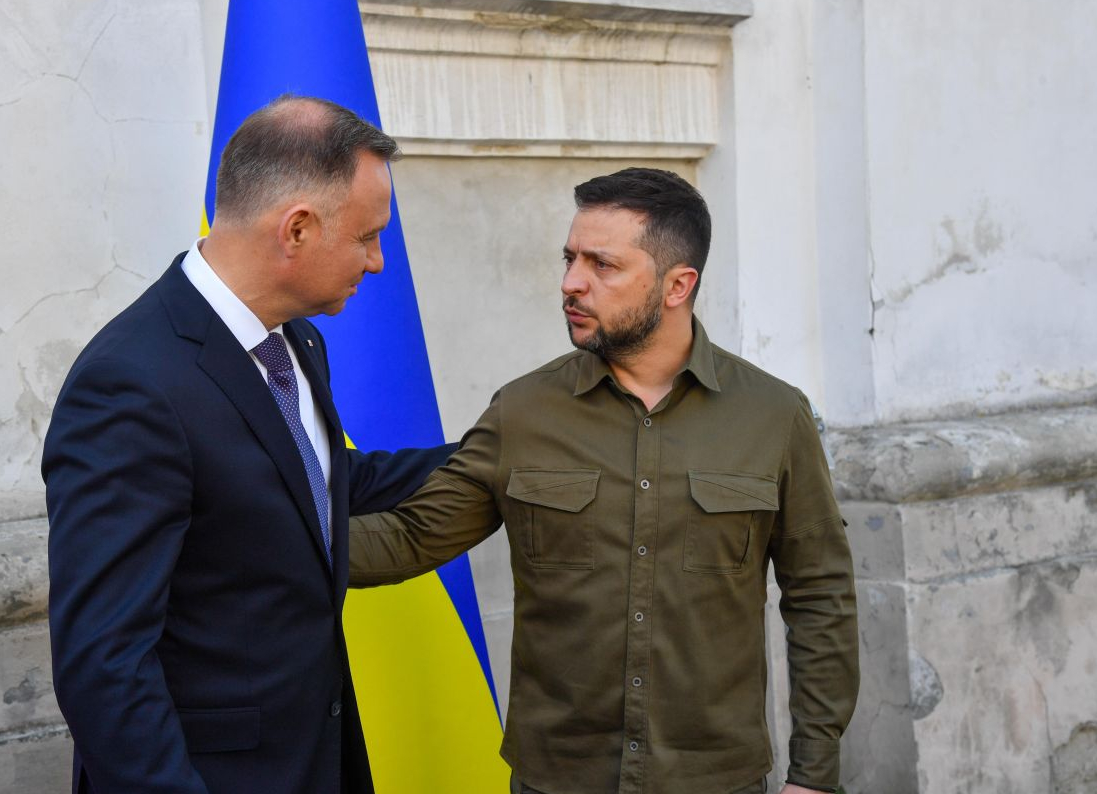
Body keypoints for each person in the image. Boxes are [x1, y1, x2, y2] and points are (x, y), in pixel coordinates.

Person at [349, 168, 859, 794]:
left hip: (715, 778)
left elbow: (820, 593)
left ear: (678, 285)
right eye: (570, 259)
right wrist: (264, 539)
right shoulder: (523, 411)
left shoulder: (774, 417)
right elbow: (410, 536)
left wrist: (814, 774)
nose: (571, 282)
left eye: (603, 265)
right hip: (557, 777)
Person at [43, 96, 452, 794]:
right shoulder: (131, 384)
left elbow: (323, 481)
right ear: (297, 229)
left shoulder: (297, 340)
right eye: (366, 237)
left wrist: (502, 451)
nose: (378, 262)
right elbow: (104, 664)